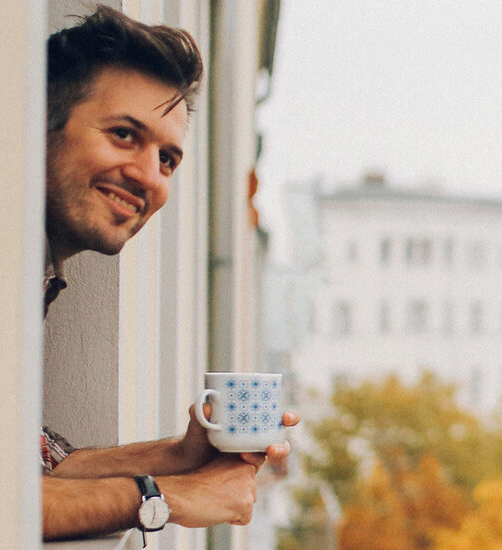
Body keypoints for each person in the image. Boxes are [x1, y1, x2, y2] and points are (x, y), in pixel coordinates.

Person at [38, 7, 298, 540]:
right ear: (40, 126)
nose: (146, 177)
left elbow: (39, 469)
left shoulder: (30, 273)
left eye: (167, 159)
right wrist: (168, 496)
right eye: (124, 135)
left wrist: (182, 454)